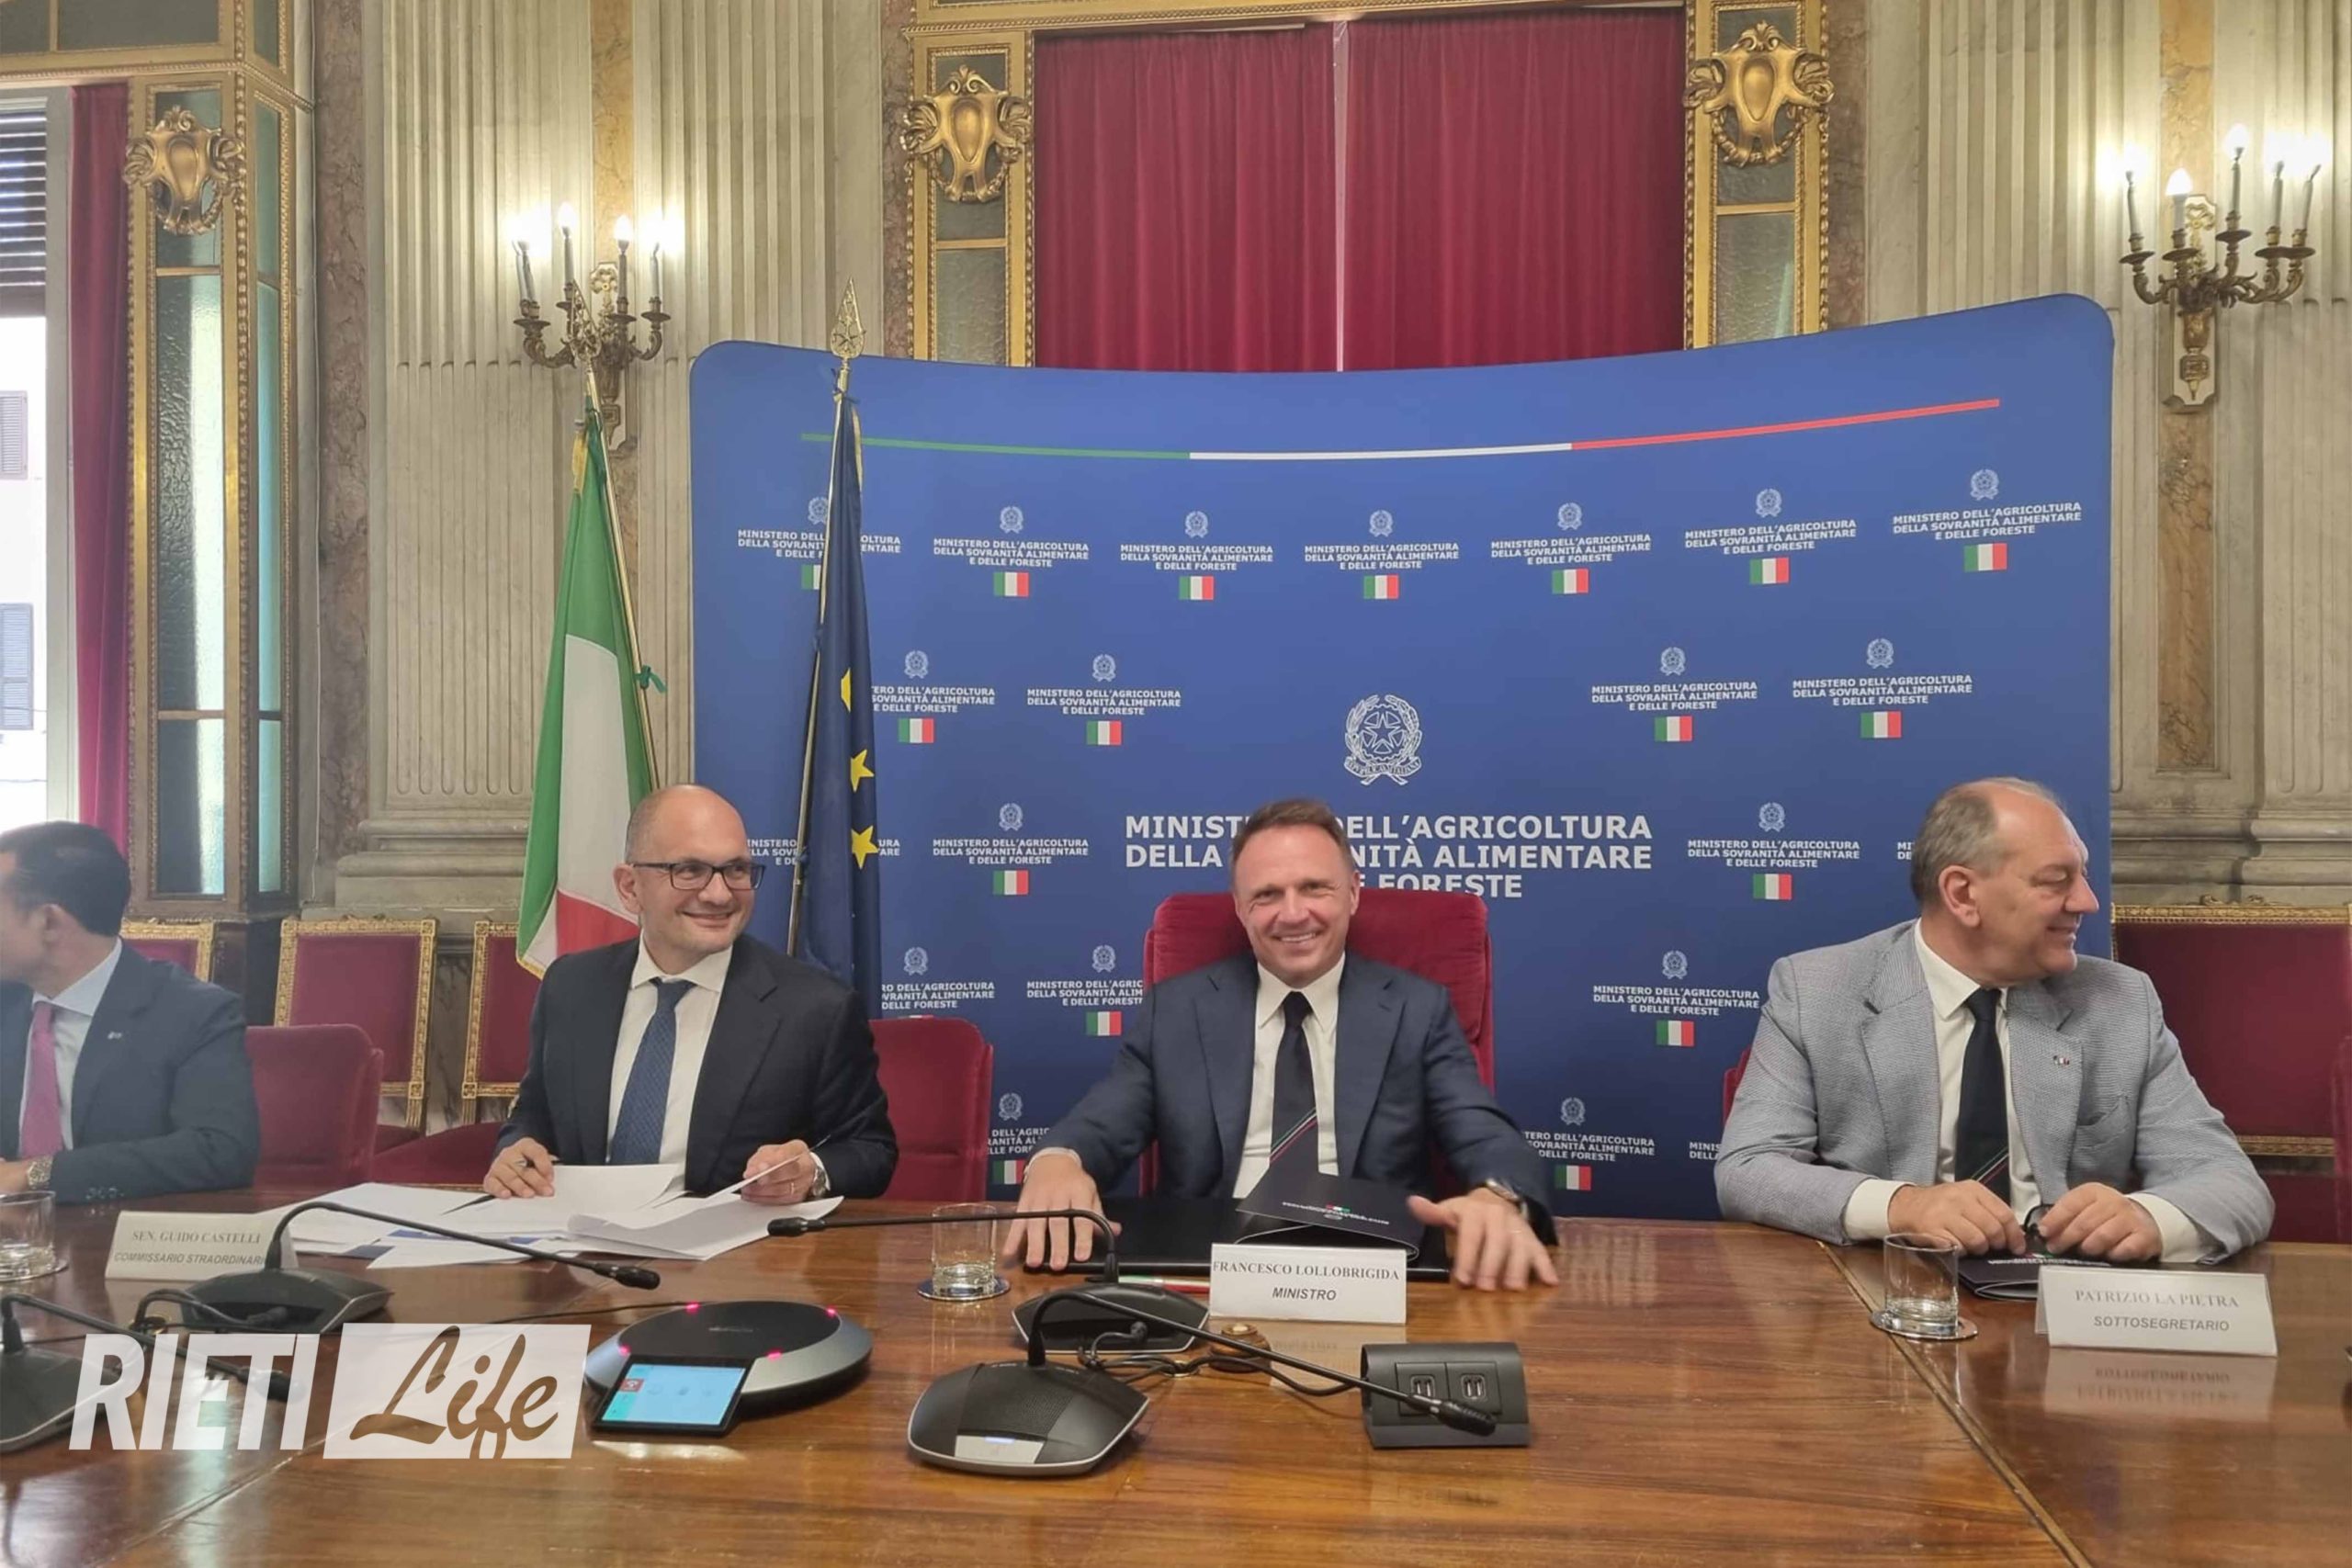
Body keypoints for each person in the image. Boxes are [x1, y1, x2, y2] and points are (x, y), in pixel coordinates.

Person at [1005, 797, 1558, 1291]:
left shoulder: (1418, 1008)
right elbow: (1102, 1122)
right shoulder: (1176, 1011)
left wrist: (1499, 1196)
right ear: (1240, 908)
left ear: (1353, 893)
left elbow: (1484, 1132)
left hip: (1375, 1274)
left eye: (1314, 887)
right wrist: (1058, 1161)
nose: (1293, 914)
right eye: (1267, 894)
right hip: (1208, 1270)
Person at [1716, 778, 2271, 1262]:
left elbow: (2229, 1182)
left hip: (2067, 1301)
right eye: (2056, 880)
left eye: (2082, 876)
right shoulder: (1817, 991)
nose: (2087, 902)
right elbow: (1749, 1168)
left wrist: (2152, 1218)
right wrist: (1902, 1206)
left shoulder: (2121, 1002)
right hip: (1887, 1288)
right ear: (1963, 894)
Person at [486, 784, 896, 1202]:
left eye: (736, 870)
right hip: (578, 1235)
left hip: (733, 1241)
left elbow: (870, 1149)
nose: (719, 894)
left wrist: (812, 1172)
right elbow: (534, 1114)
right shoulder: (570, 986)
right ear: (630, 887)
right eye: (689, 870)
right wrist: (516, 1150)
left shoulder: (816, 1008)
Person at [0, 822, 258, 1203]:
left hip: (117, 1231)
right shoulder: (8, 1002)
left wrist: (37, 1174)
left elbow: (220, 1150)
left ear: (49, 922)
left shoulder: (194, 1013)